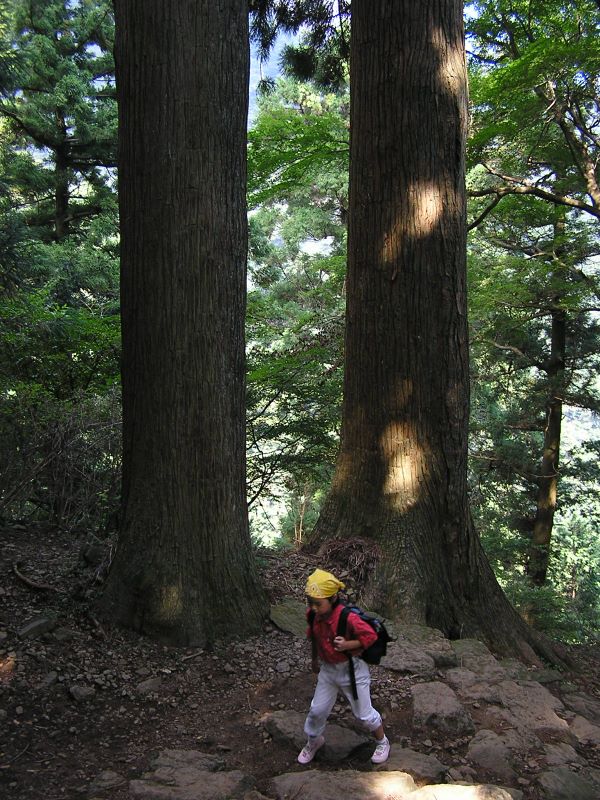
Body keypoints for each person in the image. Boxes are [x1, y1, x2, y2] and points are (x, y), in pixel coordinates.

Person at [297, 568, 391, 765]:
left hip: (353, 670)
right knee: (317, 710)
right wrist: (315, 660)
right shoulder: (314, 615)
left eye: (318, 603)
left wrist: (349, 645)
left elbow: (370, 636)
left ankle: (382, 741)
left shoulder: (348, 617)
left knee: (364, 715)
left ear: (332, 599)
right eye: (310, 602)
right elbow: (314, 637)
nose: (313, 607)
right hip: (328, 671)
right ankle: (314, 740)